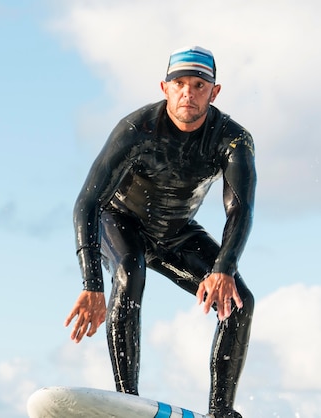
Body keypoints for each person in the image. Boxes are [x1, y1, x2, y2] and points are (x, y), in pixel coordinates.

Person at [64, 46, 256, 418]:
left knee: (239, 302)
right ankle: (127, 398)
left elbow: (240, 210)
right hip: (120, 221)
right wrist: (91, 284)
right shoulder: (137, 130)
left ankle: (220, 410)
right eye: (179, 84)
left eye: (199, 85)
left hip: (177, 232)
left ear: (214, 92)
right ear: (165, 88)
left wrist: (224, 269)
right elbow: (87, 203)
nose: (188, 93)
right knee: (130, 268)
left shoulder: (232, 140)